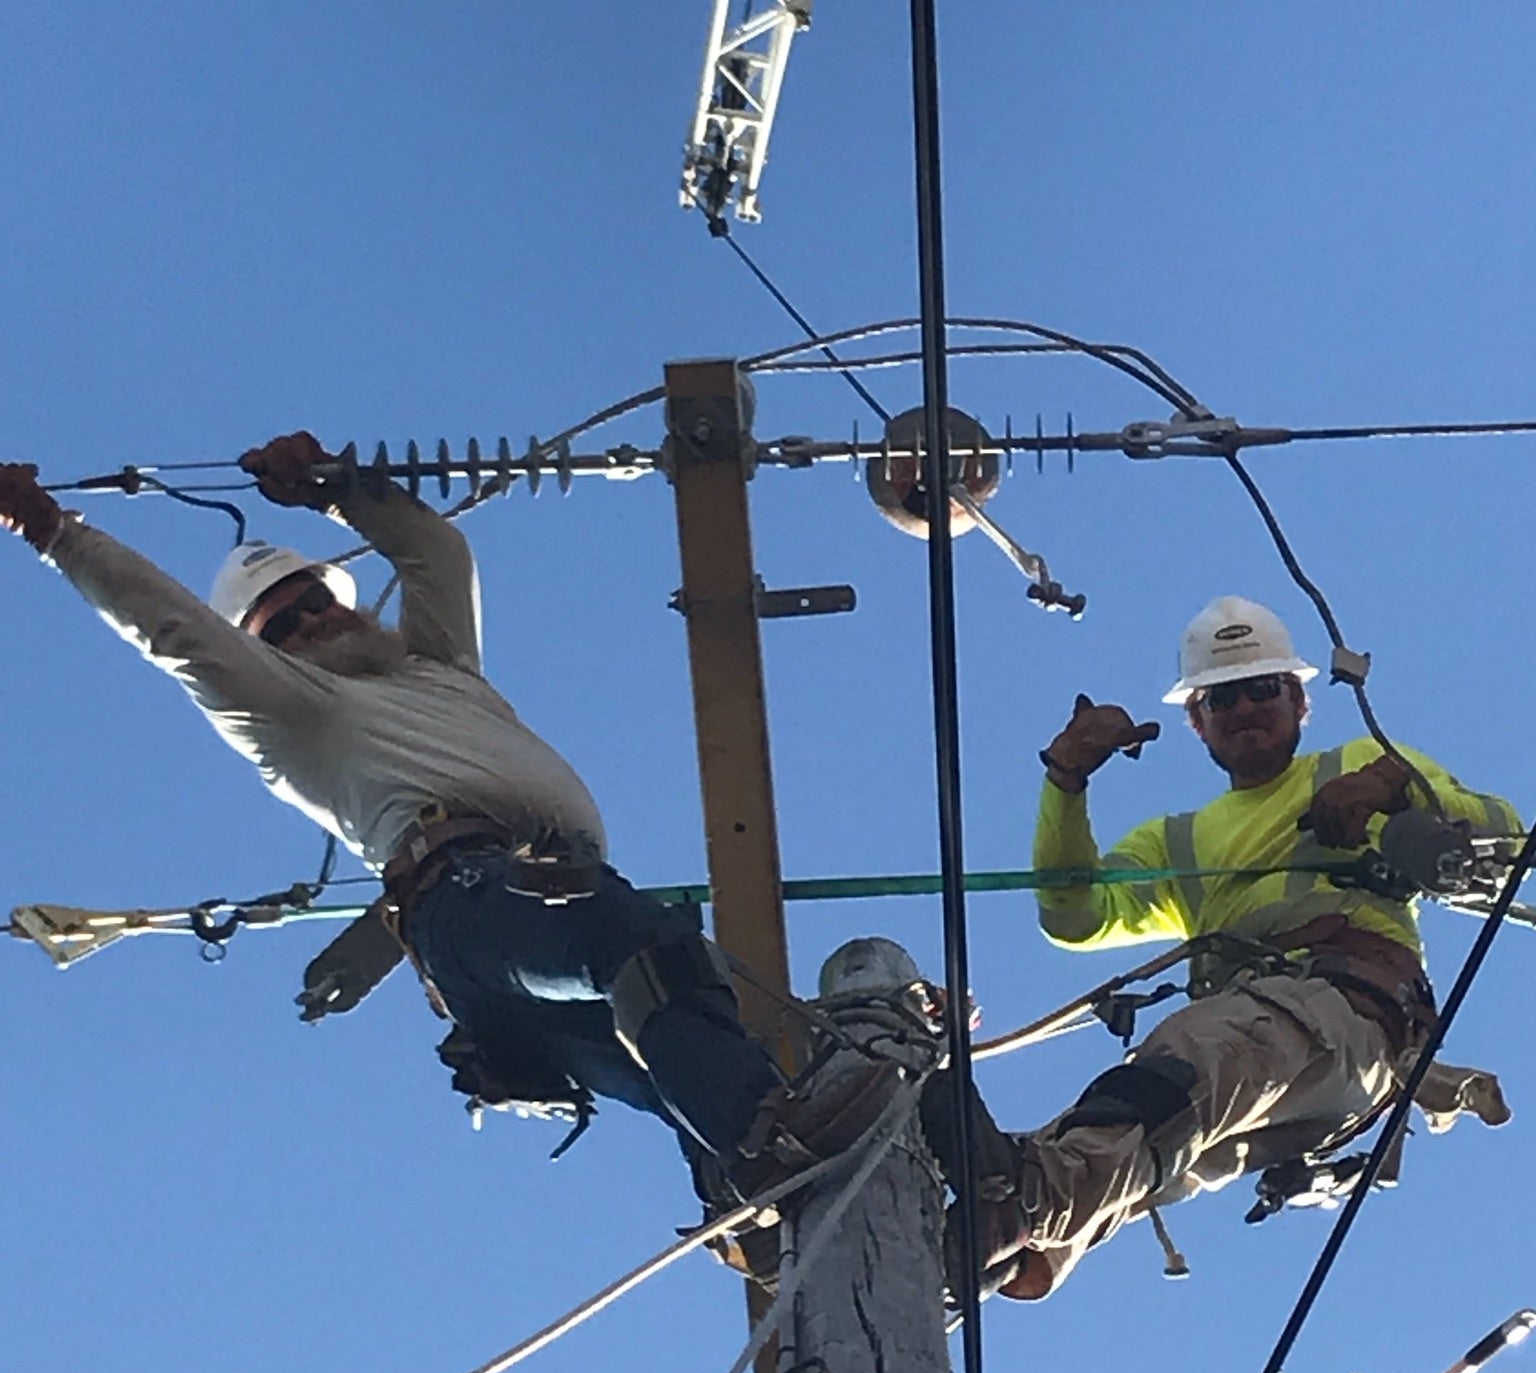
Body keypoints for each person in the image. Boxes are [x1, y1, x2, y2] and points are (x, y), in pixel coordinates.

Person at [0, 434, 890, 1196]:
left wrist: (337, 489)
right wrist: (50, 529)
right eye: (283, 626)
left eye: (316, 599)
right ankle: (768, 1142)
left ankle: (781, 1185)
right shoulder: (290, 712)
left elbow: (438, 556)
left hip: (519, 925)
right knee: (647, 952)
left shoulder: (436, 668)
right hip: (470, 900)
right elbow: (176, 631)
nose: (310, 620)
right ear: (265, 654)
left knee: (685, 1049)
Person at [922, 595, 1522, 1300]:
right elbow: (1073, 916)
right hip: (1260, 1061)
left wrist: (1390, 789)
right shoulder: (1176, 843)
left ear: (1299, 701)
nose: (1244, 708)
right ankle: (973, 1256)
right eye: (1221, 698)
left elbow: (1506, 837)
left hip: (1347, 1014)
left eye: (1263, 688)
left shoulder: (1361, 762)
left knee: (1190, 1059)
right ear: (1197, 720)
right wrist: (1065, 780)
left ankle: (1026, 1206)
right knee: (1138, 1130)